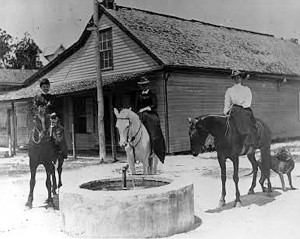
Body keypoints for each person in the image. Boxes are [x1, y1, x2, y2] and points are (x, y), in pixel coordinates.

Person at [30, 78, 68, 159]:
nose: (46, 88)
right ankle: (31, 149)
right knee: (33, 131)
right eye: (44, 86)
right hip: (40, 119)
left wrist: (54, 113)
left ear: (49, 87)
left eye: (47, 86)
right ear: (41, 87)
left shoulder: (53, 98)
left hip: (52, 118)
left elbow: (58, 109)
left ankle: (62, 151)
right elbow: (33, 109)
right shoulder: (37, 98)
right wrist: (38, 115)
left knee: (60, 130)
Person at [223, 70, 258, 154]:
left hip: (244, 110)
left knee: (244, 122)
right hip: (233, 110)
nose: (236, 79)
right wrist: (225, 111)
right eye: (234, 78)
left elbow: (248, 102)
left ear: (241, 78)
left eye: (238, 77)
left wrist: (239, 105)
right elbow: (227, 103)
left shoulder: (246, 89)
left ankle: (246, 140)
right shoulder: (229, 90)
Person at [135, 77, 165, 163]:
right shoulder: (138, 95)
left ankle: (155, 143)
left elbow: (154, 105)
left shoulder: (152, 94)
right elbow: (136, 105)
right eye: (141, 86)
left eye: (144, 85)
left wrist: (145, 108)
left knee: (153, 126)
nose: (143, 87)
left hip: (151, 114)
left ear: (148, 85)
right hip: (140, 114)